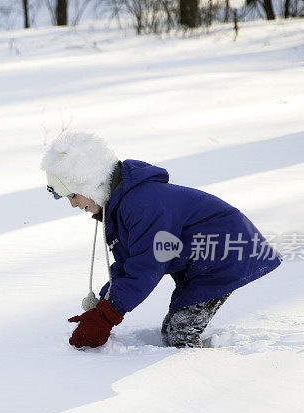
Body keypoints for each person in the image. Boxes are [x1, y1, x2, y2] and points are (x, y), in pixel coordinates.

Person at [41, 132, 281, 349]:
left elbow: (146, 267)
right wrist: (102, 304)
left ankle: (197, 375)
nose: (73, 204)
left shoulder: (141, 204)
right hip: (200, 261)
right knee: (173, 329)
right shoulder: (122, 205)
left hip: (224, 253)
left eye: (73, 195)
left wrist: (106, 315)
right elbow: (128, 265)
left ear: (92, 183)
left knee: (180, 332)